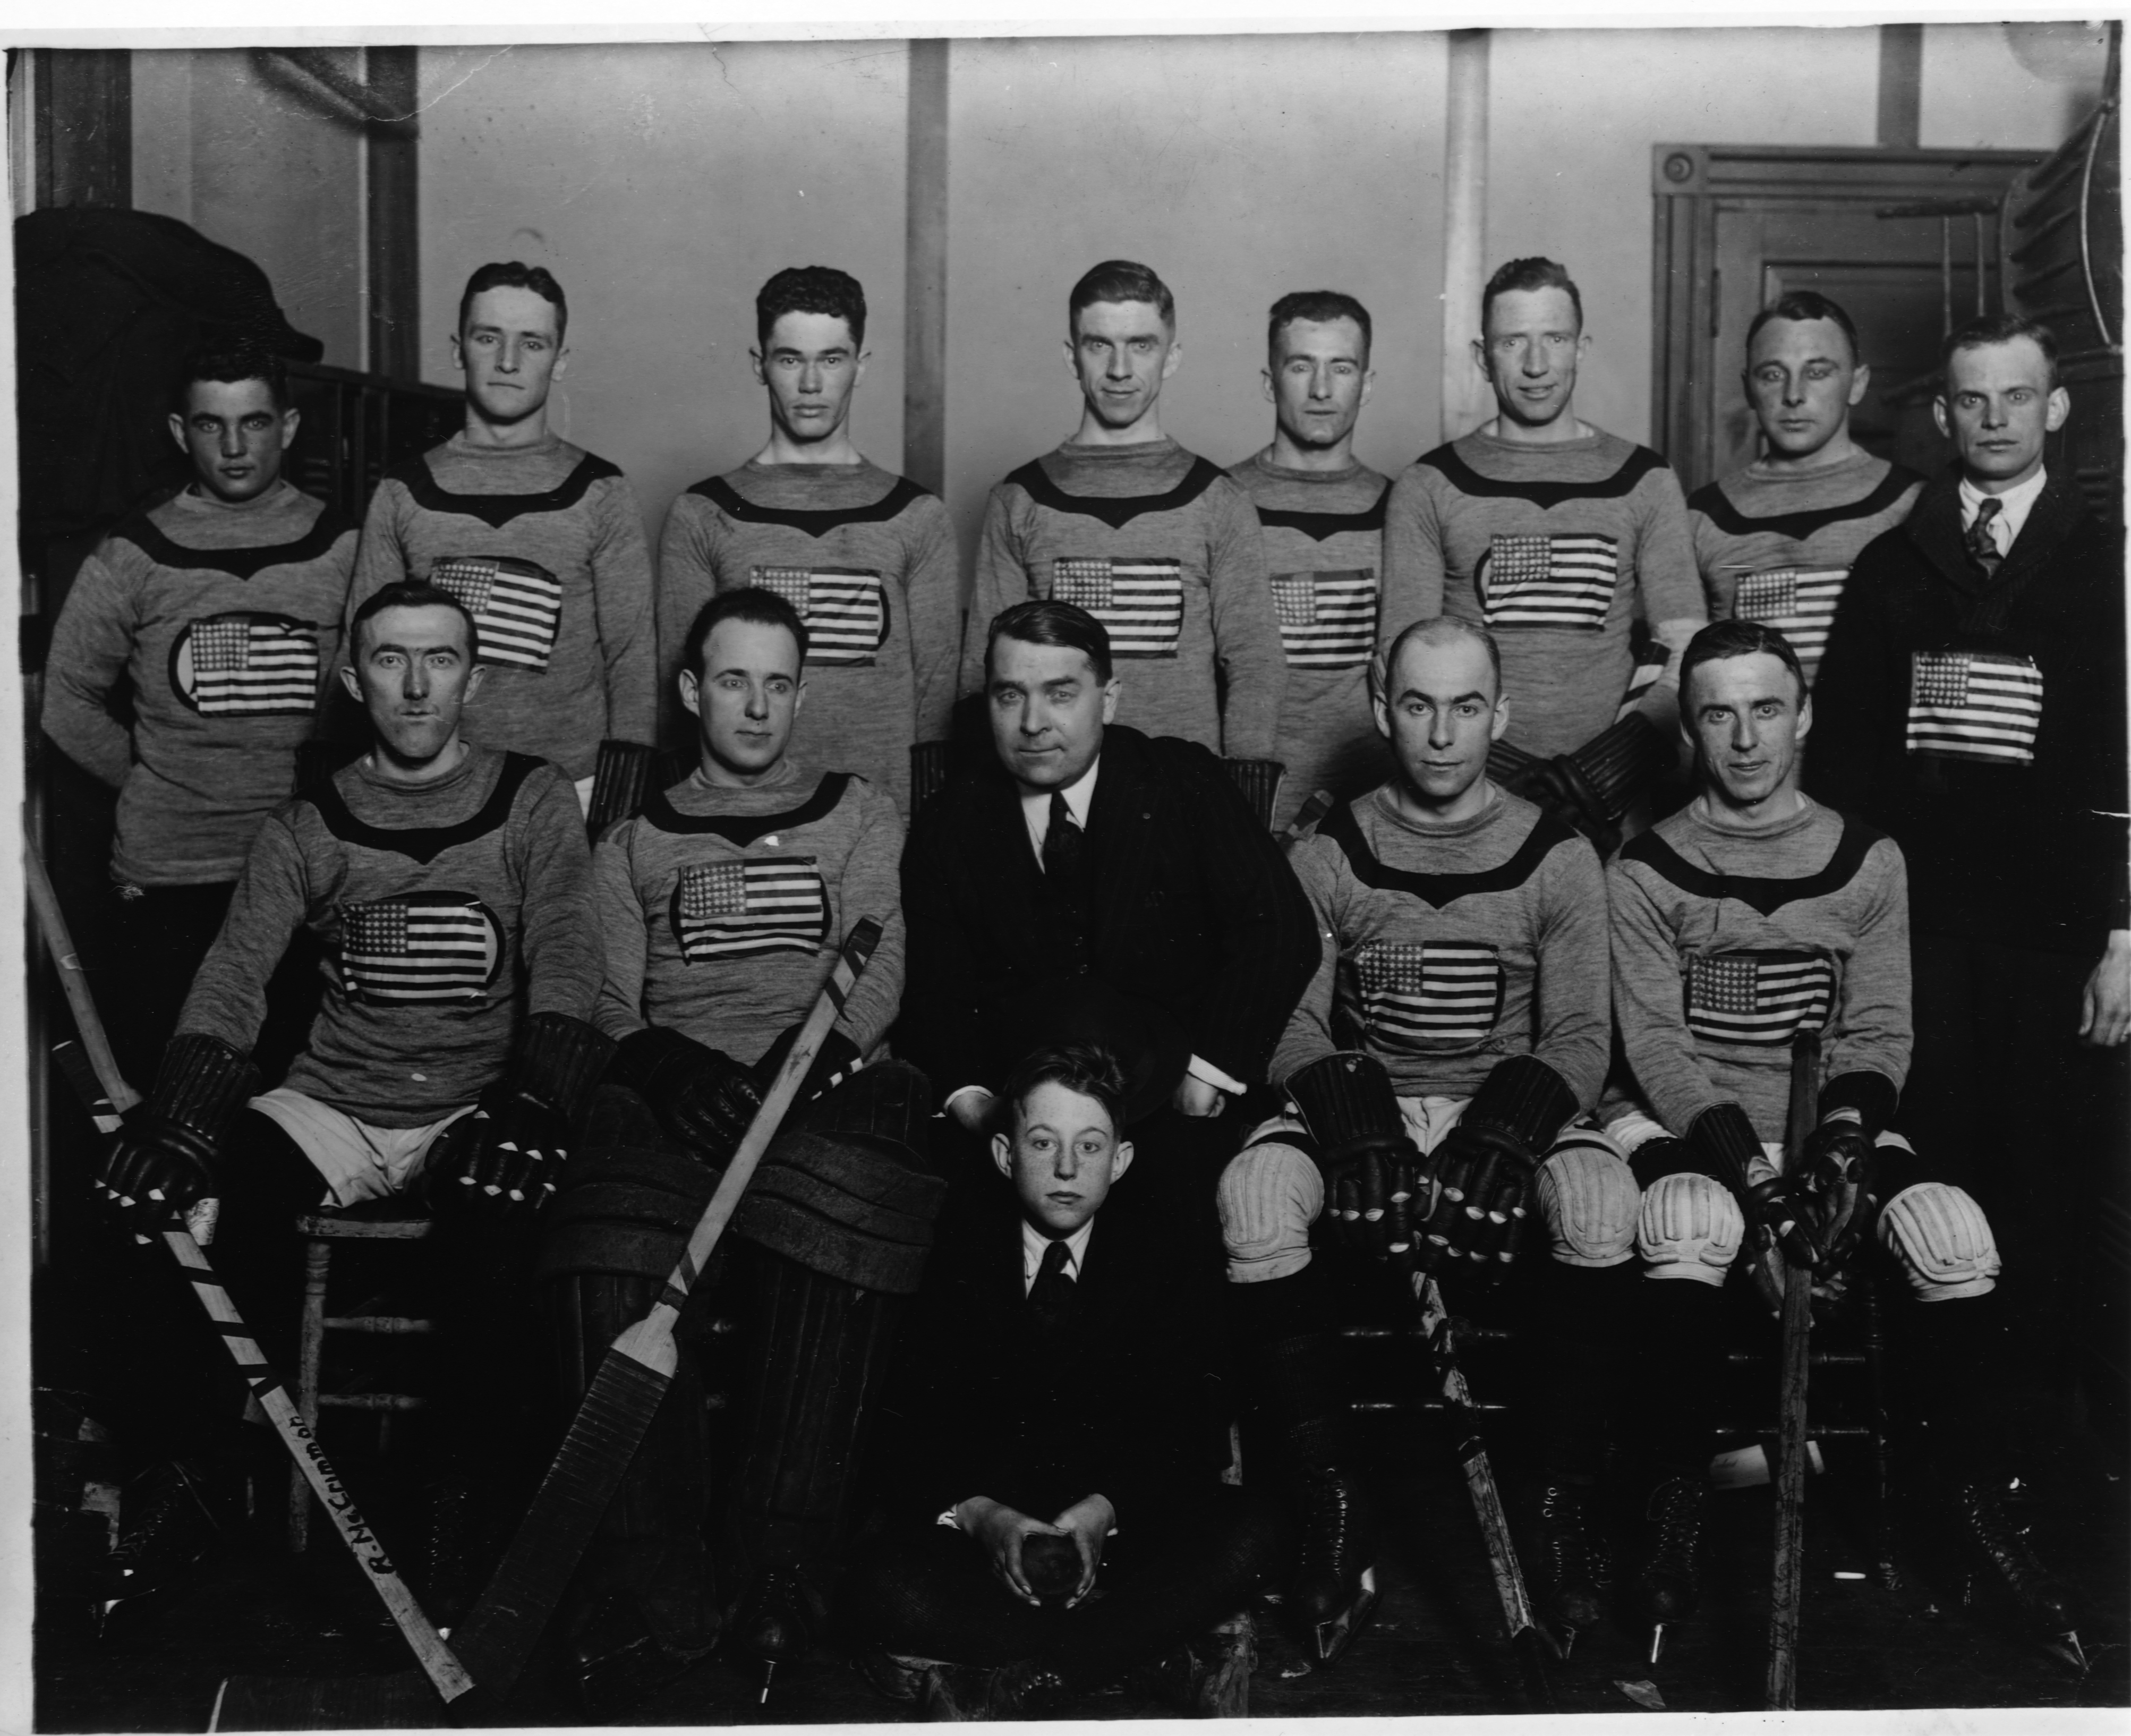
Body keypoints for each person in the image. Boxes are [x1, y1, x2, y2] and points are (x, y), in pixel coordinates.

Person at [89, 579, 609, 1603]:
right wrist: (184, 1114)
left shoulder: (533, 796)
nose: (416, 686)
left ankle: (459, 1516)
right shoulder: (306, 822)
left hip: (476, 1097)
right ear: (349, 676)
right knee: (207, 1205)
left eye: (441, 659)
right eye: (389, 659)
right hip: (336, 1097)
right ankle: (196, 1485)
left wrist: (542, 1094)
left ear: (476, 675)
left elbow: (566, 950)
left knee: (497, 1233)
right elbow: (236, 973)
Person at [1608, 617, 2081, 1660]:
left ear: (1803, 714)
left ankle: (1961, 1511)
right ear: (1686, 731)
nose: (1742, 738)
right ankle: (1669, 1524)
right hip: (1704, 1137)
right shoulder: (1643, 867)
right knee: (1683, 1223)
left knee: (1950, 1236)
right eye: (1715, 714)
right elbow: (1657, 1050)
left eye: (1764, 709)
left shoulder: (1867, 858)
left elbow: (1876, 1032)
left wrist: (1831, 1154)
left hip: (1828, 1129)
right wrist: (1753, 1177)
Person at [556, 584, 933, 1712]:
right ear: (690, 691)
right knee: (608, 1222)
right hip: (688, 1106)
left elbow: (879, 964)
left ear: (802, 692)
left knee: (848, 1201)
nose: (757, 705)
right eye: (733, 679)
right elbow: (606, 1004)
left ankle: (782, 1561)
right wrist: (668, 1065)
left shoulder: (859, 812)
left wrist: (802, 1066)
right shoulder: (628, 839)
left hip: (816, 1090)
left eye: (778, 682)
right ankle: (653, 1567)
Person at [1215, 616, 1610, 1661]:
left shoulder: (1557, 854)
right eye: (1419, 704)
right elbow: (1292, 1018)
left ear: (1503, 713)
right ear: (1381, 705)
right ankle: (1332, 1510)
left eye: (1467, 706)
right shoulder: (1326, 848)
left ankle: (1556, 1507)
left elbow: (1577, 1031)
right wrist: (1352, 1124)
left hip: (1502, 1107)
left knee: (1605, 1205)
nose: (1440, 733)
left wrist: (1511, 1125)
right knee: (1251, 1199)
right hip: (1364, 1106)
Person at [1807, 314, 2128, 1404]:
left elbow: (2117, 768)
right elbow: (1842, 770)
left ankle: (2027, 1444)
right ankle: (1931, 1432)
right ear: (1941, 414)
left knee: (2044, 1177)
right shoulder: (1890, 567)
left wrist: (2120, 934)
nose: (1992, 420)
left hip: (2053, 936)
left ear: (2055, 406)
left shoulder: (2102, 566)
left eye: (2013, 397)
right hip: (1920, 928)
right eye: (1969, 400)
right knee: (1928, 1168)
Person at [845, 1045, 1290, 1721]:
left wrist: (1102, 1511)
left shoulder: (1161, 1255)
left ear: (1120, 1161)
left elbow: (1187, 1428)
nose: (1064, 1168)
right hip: (991, 1546)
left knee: (1258, 1527)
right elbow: (906, 1426)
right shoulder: (949, 1250)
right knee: (875, 1579)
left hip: (1117, 1536)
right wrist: (986, 1518)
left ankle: (1038, 1674)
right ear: (1003, 1154)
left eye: (1089, 1147)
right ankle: (1131, 1652)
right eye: (1042, 1142)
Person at [903, 598, 1318, 1232]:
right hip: (1021, 1116)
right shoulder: (949, 819)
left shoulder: (1181, 782)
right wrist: (970, 1099)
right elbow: (937, 984)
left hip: (1173, 1104)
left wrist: (1206, 1075)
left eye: (1060, 693)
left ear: (1109, 698)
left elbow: (1281, 930)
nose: (1033, 722)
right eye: (1009, 696)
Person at [41, 344, 359, 1080]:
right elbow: (65, 700)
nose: (236, 446)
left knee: (290, 1097)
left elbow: (376, 688)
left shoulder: (346, 547)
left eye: (254, 421)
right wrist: (157, 776)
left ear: (290, 425)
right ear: (182, 433)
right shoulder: (134, 555)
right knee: (177, 1093)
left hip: (304, 873)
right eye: (212, 426)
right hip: (172, 870)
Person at [1384, 257, 1706, 850]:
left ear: (1580, 348)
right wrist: (1497, 773)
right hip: (1464, 798)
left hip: (1611, 808)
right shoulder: (1430, 483)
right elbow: (1399, 658)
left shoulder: (1645, 478)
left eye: (1553, 339)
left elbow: (1688, 646)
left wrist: (1603, 772)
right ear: (1483, 357)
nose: (1535, 366)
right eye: (1513, 342)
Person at [347, 261, 657, 808]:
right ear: (457, 349)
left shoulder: (600, 490)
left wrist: (619, 801)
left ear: (560, 361)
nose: (508, 362)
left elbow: (630, 657)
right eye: (488, 337)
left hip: (570, 784)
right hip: (428, 779)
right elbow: (361, 647)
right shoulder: (403, 490)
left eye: (532, 343)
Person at [656, 267, 959, 815]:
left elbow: (936, 711)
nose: (812, 385)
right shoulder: (702, 514)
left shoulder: (916, 517)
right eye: (791, 359)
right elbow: (677, 709)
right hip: (737, 823)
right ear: (760, 365)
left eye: (832, 359)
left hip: (880, 826)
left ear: (860, 367)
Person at [956, 260, 1284, 765]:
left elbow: (1254, 663)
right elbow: (984, 676)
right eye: (1099, 345)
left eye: (1141, 345)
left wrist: (1239, 800)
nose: (1120, 370)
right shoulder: (1019, 499)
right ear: (1072, 356)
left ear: (1171, 357)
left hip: (1185, 795)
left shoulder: (1219, 498)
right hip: (1053, 789)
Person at [1230, 291, 1414, 831]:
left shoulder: (1402, 506)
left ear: (1367, 383)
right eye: (1300, 365)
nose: (1320, 389)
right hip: (1243, 799)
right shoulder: (1220, 500)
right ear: (1269, 382)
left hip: (1372, 805)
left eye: (1341, 367)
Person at [1688, 290, 1922, 687]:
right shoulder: (1704, 515)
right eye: (1773, 375)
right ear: (1749, 387)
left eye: (1817, 373)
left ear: (1857, 383)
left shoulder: (1913, 502)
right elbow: (1685, 669)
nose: (1794, 395)